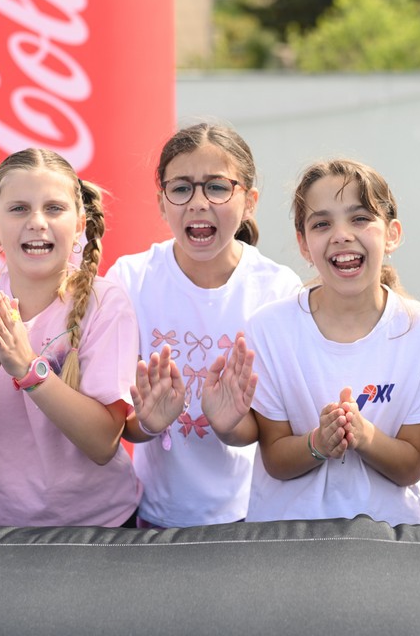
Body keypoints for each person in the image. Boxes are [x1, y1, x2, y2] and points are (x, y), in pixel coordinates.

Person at [212, 159, 420, 526]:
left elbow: (411, 466)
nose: (341, 235)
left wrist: (365, 436)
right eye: (322, 224)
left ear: (392, 234)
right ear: (304, 245)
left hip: (388, 539)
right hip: (286, 537)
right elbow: (276, 459)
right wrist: (318, 443)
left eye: (359, 218)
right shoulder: (270, 329)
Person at [0, 148, 141, 526]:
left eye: (54, 208)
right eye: (19, 209)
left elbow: (103, 444)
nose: (37, 222)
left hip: (100, 528)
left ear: (80, 225)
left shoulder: (106, 304)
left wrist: (29, 370)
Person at [107, 123, 300, 527]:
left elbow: (274, 432)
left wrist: (230, 425)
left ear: (249, 202)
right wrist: (149, 422)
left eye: (216, 187)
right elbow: (120, 424)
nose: (198, 203)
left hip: (250, 519)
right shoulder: (130, 279)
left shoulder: (279, 288)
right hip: (152, 517)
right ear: (162, 203)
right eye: (181, 188)